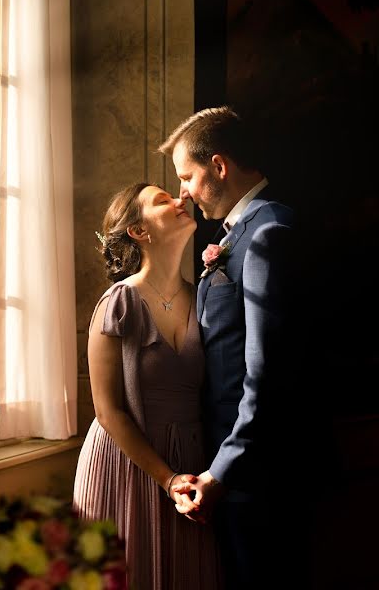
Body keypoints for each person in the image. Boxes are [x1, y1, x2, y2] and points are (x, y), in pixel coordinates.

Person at [158, 106, 306, 588]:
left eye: (187, 176)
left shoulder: (266, 234)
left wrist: (220, 475)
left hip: (257, 477)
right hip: (235, 472)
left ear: (219, 166)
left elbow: (266, 374)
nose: (182, 191)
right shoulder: (241, 234)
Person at [73, 182, 219, 589]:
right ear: (139, 231)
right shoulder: (119, 302)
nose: (181, 199)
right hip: (126, 463)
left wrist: (190, 479)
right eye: (162, 200)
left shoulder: (204, 297)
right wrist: (166, 478)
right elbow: (108, 411)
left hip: (191, 466)